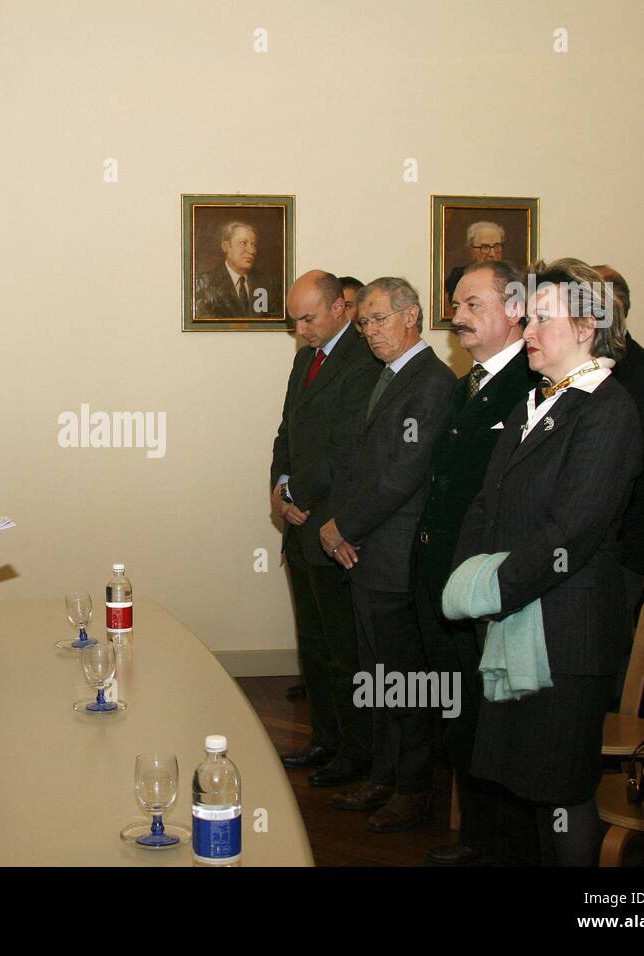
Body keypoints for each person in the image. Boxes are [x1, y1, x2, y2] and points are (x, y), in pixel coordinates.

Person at [451, 258, 642, 866]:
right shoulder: (538, 401)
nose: (527, 330)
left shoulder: (608, 410)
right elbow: (486, 505)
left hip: (564, 637)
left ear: (588, 327)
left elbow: (572, 532)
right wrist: (464, 580)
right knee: (524, 791)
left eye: (541, 318)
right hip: (515, 624)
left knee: (560, 795)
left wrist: (484, 589)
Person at [319, 277, 455, 832]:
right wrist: (340, 528)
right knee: (378, 676)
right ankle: (383, 775)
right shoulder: (388, 376)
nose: (370, 332)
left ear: (411, 316)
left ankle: (413, 790)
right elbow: (360, 464)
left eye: (378, 320)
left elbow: (403, 475)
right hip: (365, 550)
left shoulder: (432, 382)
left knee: (407, 681)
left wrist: (341, 526)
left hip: (396, 555)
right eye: (364, 323)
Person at [414, 259, 537, 865]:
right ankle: (477, 839)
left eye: (471, 305)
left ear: (516, 309)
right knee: (461, 719)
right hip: (449, 584)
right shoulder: (475, 381)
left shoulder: (529, 384)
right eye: (456, 305)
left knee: (492, 726)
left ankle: (497, 847)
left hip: (486, 589)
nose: (456, 317)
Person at [270, 271, 379, 786]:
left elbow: (344, 450)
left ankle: (355, 751)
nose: (301, 328)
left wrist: (297, 496)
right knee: (313, 644)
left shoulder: (363, 362)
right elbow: (286, 432)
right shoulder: (304, 361)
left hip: (333, 525)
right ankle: (325, 738)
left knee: (344, 651)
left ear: (342, 309)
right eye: (295, 319)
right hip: (299, 524)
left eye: (308, 318)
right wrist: (279, 486)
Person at [593, 266, 644, 634]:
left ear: (619, 307)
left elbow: (636, 456)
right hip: (570, 551)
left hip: (621, 543)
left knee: (610, 654)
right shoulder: (570, 366)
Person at [194, 221, 283, 318]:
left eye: (254, 245)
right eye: (243, 243)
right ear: (226, 247)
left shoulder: (268, 283)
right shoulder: (204, 284)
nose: (252, 251)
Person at [445, 221, 505, 308]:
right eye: (485, 247)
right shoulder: (458, 276)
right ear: (471, 250)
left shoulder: (511, 278)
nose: (492, 253)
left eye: (497, 246)